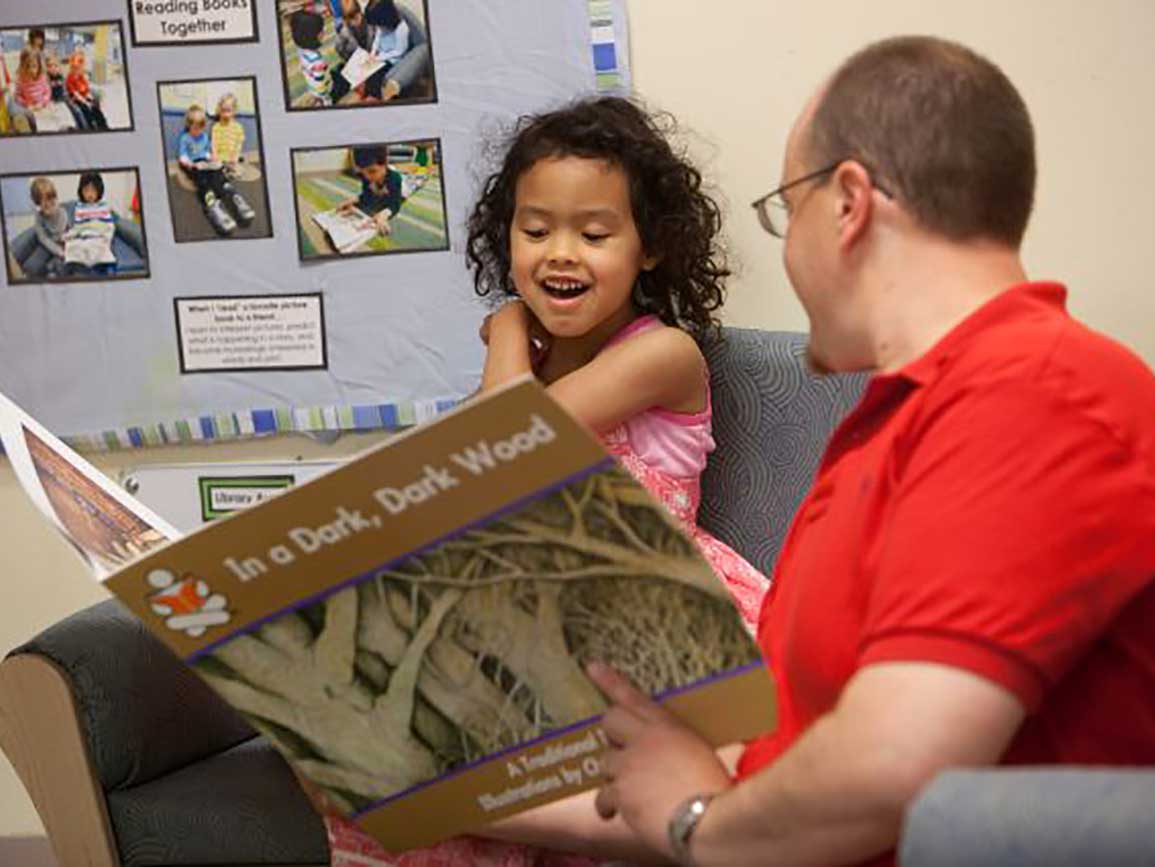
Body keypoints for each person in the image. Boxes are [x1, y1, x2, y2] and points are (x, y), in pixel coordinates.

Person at [475, 35, 1155, 867]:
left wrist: (694, 822)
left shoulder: (1033, 394)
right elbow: (783, 763)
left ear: (848, 206)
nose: (788, 248)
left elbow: (882, 772)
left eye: (785, 211)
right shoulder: (890, 425)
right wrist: (434, 791)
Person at [320, 95, 771, 867]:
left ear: (649, 247)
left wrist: (504, 328)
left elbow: (506, 450)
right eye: (535, 231)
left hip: (641, 606)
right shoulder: (524, 369)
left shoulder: (661, 354)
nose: (560, 253)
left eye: (593, 234)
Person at [176, 103, 255, 236]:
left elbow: (207, 150)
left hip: (206, 162)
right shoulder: (185, 138)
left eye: (201, 127)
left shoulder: (204, 136)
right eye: (196, 128)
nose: (199, 131)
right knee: (203, 182)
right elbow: (182, 155)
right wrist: (188, 163)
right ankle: (213, 206)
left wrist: (212, 157)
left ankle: (234, 197)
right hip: (194, 164)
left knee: (218, 174)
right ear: (189, 125)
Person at [289, 8, 334, 107]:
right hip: (323, 90)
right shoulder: (317, 61)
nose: (324, 32)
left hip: (310, 84)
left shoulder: (301, 48)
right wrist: (324, 95)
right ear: (313, 36)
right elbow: (320, 83)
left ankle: (317, 97)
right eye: (321, 31)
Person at [28, 176, 69, 277]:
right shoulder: (39, 217)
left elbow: (60, 232)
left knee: (58, 264)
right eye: (43, 201)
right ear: (38, 203)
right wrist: (57, 250)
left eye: (51, 198)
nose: (48, 203)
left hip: (61, 241)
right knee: (32, 266)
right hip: (48, 243)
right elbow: (43, 238)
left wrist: (61, 251)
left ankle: (52, 269)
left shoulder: (62, 212)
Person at [65, 48, 108, 131]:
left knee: (95, 107)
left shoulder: (81, 77)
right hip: (76, 100)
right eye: (75, 68)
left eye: (79, 68)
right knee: (87, 110)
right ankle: (90, 127)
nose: (78, 70)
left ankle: (103, 125)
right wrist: (85, 102)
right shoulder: (70, 78)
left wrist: (90, 99)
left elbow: (86, 90)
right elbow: (75, 94)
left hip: (84, 97)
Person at [210, 92, 246, 173]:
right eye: (223, 111)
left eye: (228, 111)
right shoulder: (216, 126)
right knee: (215, 169)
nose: (226, 114)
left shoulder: (238, 127)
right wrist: (214, 154)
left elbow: (239, 143)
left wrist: (235, 156)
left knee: (238, 172)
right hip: (219, 158)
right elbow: (213, 142)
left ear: (234, 111)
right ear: (219, 110)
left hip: (232, 158)